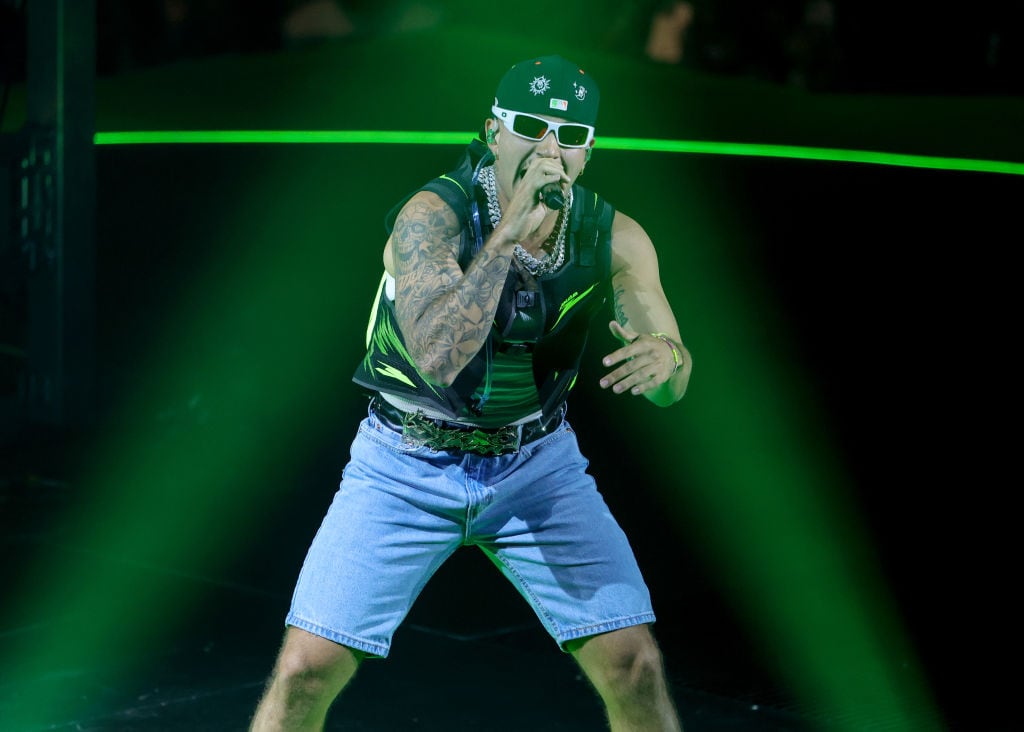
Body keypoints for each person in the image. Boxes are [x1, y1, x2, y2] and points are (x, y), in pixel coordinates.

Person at [249, 54, 692, 732]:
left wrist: (667, 360)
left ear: (589, 151)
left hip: (537, 467)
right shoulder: (431, 217)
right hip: (405, 462)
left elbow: (673, 385)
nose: (550, 150)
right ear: (493, 132)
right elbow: (437, 357)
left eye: (570, 136)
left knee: (636, 666)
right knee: (305, 670)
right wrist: (509, 234)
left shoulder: (616, 237)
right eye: (531, 128)